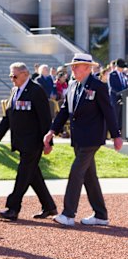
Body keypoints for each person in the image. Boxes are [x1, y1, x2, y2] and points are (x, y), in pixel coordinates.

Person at [44, 54, 123, 227]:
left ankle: (68, 214)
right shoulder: (72, 85)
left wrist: (116, 135)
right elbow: (64, 110)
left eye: (77, 65)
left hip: (92, 138)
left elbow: (109, 111)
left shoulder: (98, 86)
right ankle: (101, 215)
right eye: (73, 65)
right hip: (78, 138)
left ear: (88, 67)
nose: (73, 68)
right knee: (89, 176)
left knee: (76, 172)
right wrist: (51, 131)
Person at [0, 62, 57, 221]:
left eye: (14, 76)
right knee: (33, 175)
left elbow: (45, 119)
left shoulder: (36, 91)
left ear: (25, 74)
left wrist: (48, 143)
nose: (11, 79)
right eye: (10, 76)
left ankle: (13, 207)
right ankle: (49, 206)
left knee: (23, 174)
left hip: (33, 142)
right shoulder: (14, 91)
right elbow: (8, 117)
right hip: (20, 141)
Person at [107, 58, 127, 131]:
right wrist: (121, 93)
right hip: (115, 99)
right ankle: (114, 133)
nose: (123, 69)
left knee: (122, 117)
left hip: (123, 99)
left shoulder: (124, 75)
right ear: (117, 66)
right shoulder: (112, 74)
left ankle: (121, 132)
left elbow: (125, 85)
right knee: (115, 116)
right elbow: (112, 87)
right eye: (121, 67)